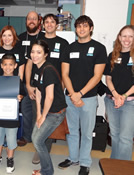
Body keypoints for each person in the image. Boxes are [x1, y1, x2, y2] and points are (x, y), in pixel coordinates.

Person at [58, 15, 107, 175]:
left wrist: (80, 94)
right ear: (75, 29)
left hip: (89, 98)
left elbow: (97, 76)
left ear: (91, 28)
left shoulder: (99, 48)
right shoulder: (69, 48)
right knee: (72, 131)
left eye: (85, 26)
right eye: (79, 26)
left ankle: (85, 162)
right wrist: (73, 94)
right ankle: (73, 158)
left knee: (86, 133)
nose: (82, 29)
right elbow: (65, 74)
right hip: (70, 97)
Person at [31, 40, 67, 175]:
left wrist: (43, 116)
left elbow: (50, 97)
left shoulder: (49, 70)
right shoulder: (37, 68)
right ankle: (45, 169)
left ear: (46, 54)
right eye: (33, 52)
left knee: (38, 141)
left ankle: (47, 171)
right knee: (36, 138)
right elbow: (38, 92)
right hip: (46, 111)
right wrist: (39, 114)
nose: (35, 55)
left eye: (39, 52)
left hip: (55, 112)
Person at [0, 54, 25, 173]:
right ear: (1, 66)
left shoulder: (18, 81)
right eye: (5, 64)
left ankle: (10, 158)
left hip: (11, 117)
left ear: (15, 66)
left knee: (11, 138)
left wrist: (20, 97)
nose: (8, 67)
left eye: (10, 64)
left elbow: (22, 94)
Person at [104, 25, 134, 161]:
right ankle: (114, 166)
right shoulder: (112, 55)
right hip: (112, 100)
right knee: (115, 135)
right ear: (119, 38)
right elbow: (108, 78)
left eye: (131, 36)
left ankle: (123, 169)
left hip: (130, 103)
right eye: (124, 36)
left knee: (125, 138)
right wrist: (115, 94)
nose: (127, 39)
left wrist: (124, 96)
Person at [17, 11, 44, 149]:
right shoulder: (20, 38)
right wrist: (27, 85)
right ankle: (27, 136)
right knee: (26, 111)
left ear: (39, 21)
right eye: (29, 19)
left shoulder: (44, 38)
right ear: (26, 21)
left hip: (41, 82)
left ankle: (37, 137)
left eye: (34, 19)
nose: (31, 21)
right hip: (25, 82)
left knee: (38, 111)